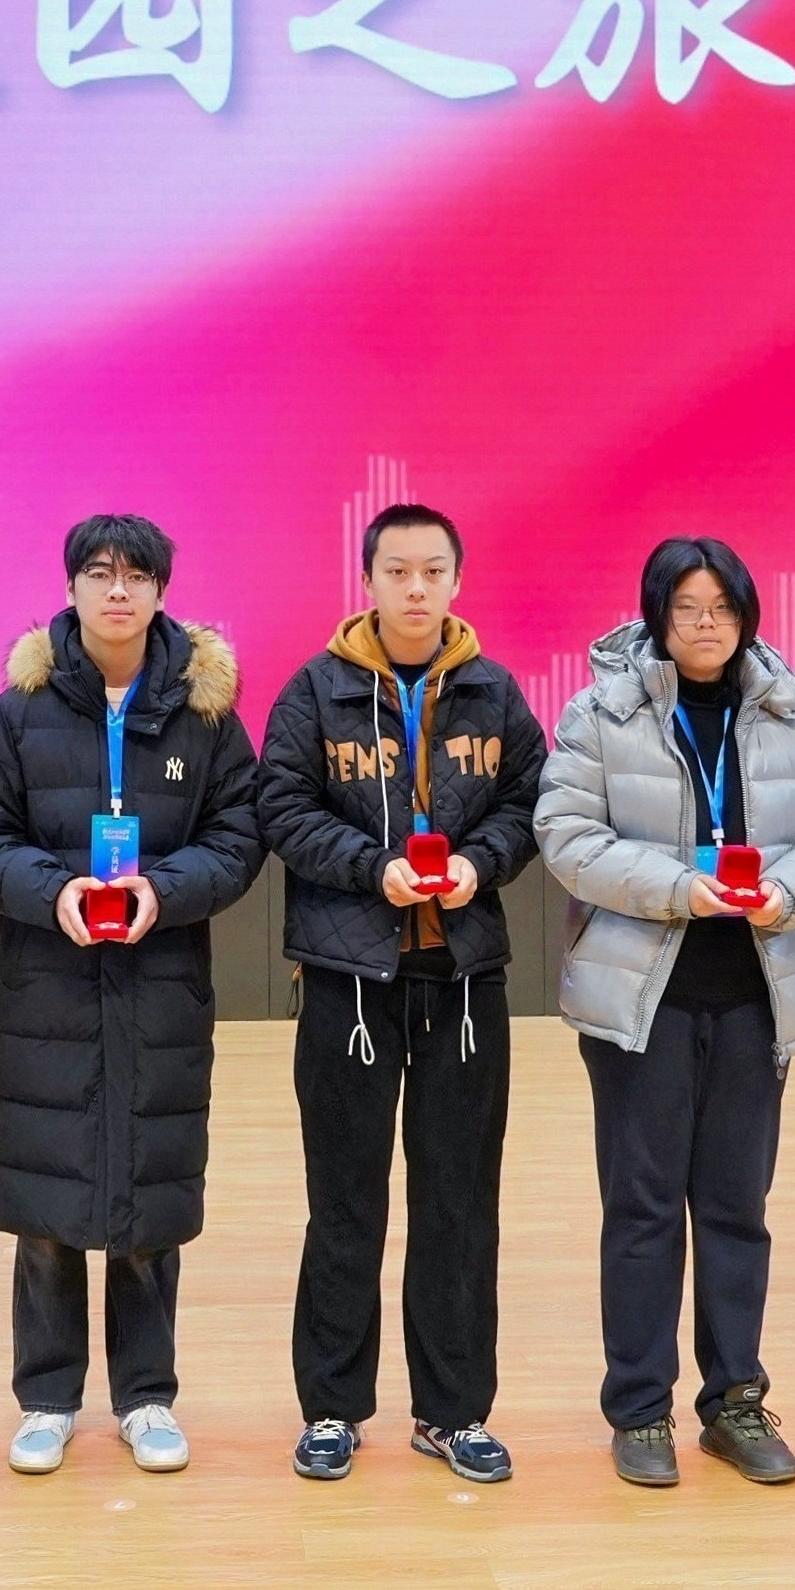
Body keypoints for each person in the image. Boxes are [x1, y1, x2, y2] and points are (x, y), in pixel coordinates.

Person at [536, 536, 795, 1490]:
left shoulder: (787, 710)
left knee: (735, 1208)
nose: (705, 624)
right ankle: (639, 1409)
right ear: (656, 616)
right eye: (686, 608)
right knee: (641, 1210)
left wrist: (787, 892)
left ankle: (733, 1402)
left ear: (746, 615)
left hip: (755, 995)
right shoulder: (602, 711)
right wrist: (679, 887)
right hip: (642, 1000)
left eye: (721, 607)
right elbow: (565, 834)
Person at [0, 514, 264, 1478]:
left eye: (135, 575)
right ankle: (46, 1399)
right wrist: (56, 892)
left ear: (162, 590)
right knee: (46, 1201)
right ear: (71, 588)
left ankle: (147, 1396)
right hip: (49, 981)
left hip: (159, 982)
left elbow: (239, 834)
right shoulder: (20, 710)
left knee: (148, 1203)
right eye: (98, 572)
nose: (116, 590)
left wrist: (163, 890)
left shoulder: (205, 715)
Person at [257, 503, 547, 1485]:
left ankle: (453, 1412)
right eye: (396, 570)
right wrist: (370, 867)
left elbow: (530, 803)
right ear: (368, 580)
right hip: (348, 977)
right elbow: (281, 806)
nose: (415, 588)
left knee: (458, 1200)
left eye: (432, 571)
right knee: (344, 1200)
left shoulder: (494, 691)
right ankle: (332, 1408)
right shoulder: (316, 689)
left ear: (456, 580)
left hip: (462, 975)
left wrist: (479, 861)